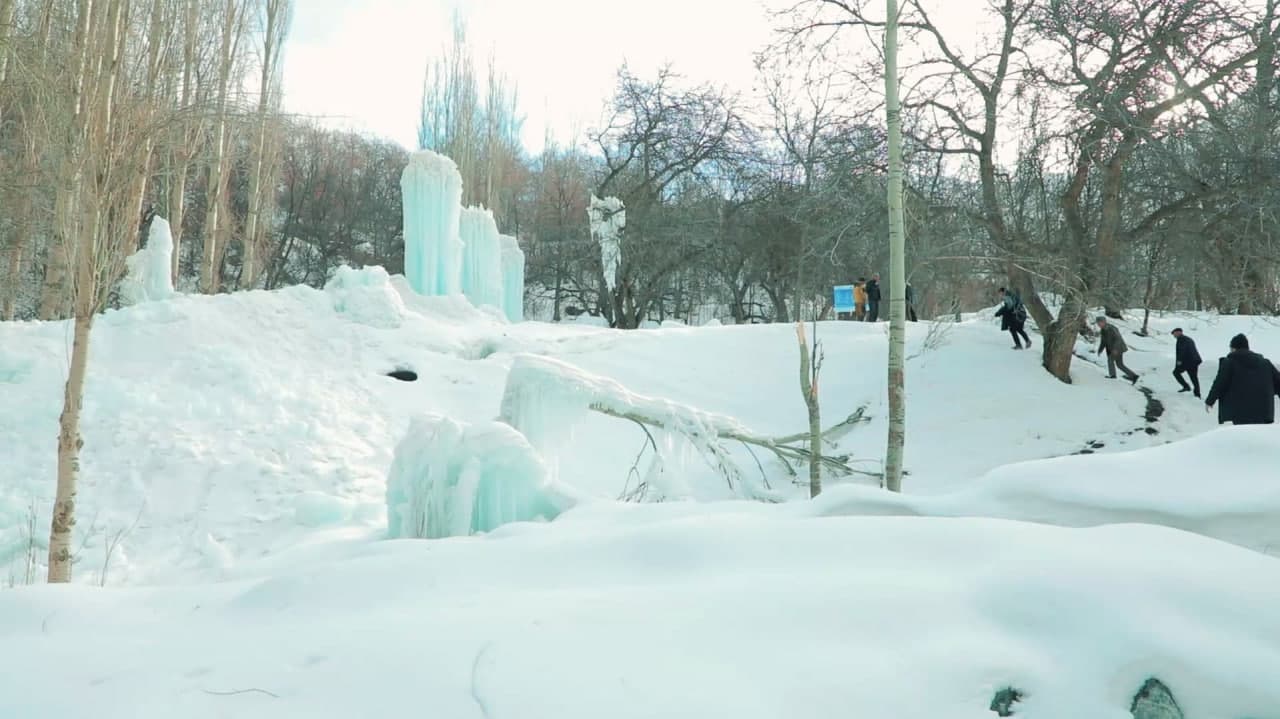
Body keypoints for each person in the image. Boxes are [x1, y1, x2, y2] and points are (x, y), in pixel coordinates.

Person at [1204, 333, 1280, 425]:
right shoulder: (1265, 363)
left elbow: (1220, 383)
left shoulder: (1229, 363)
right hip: (1263, 413)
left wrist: (1210, 401)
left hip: (1239, 414)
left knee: (1243, 433)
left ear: (1233, 348)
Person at [1095, 316, 1139, 383]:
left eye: (1100, 323)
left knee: (1110, 360)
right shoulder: (1103, 330)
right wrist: (1100, 350)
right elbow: (1103, 341)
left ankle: (1113, 376)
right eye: (1098, 323)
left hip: (1118, 348)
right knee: (1120, 364)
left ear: (1104, 322)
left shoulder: (1111, 328)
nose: (1098, 324)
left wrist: (1115, 349)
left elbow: (1118, 339)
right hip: (1114, 349)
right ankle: (1134, 376)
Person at [1171, 327, 1202, 397]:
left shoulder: (1182, 340)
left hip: (1189, 361)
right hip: (1193, 361)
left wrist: (1179, 361)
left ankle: (1187, 387)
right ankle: (1196, 393)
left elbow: (1182, 351)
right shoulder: (1187, 339)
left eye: (1174, 334)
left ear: (1179, 332)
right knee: (1194, 377)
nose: (1174, 336)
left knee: (1176, 373)